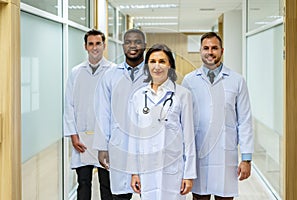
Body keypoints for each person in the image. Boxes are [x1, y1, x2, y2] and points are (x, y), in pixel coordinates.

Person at [181, 32, 254, 200]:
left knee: (225, 197)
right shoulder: (189, 81)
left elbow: (244, 121)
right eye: (206, 48)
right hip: (199, 153)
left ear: (222, 51)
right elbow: (183, 121)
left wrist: (246, 158)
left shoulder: (237, 80)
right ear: (200, 51)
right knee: (200, 197)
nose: (210, 52)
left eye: (214, 48)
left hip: (225, 153)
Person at [127, 44, 197, 200]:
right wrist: (133, 172)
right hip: (146, 170)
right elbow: (133, 137)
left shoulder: (183, 94)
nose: (157, 66)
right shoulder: (138, 96)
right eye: (152, 61)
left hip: (172, 170)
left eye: (162, 61)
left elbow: (189, 138)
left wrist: (189, 174)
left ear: (169, 65)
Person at [93, 28, 147, 200]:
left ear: (145, 45)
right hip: (119, 145)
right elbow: (103, 113)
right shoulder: (110, 76)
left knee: (150, 192)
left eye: (137, 42)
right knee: (120, 194)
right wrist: (102, 146)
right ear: (123, 46)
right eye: (129, 42)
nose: (133, 46)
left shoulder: (154, 74)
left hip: (148, 145)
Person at [64, 29, 114, 200]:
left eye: (98, 43)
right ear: (85, 47)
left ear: (104, 46)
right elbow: (69, 106)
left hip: (105, 140)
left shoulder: (114, 71)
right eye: (91, 44)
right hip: (82, 139)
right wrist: (73, 136)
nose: (95, 48)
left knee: (107, 185)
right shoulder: (76, 72)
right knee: (83, 183)